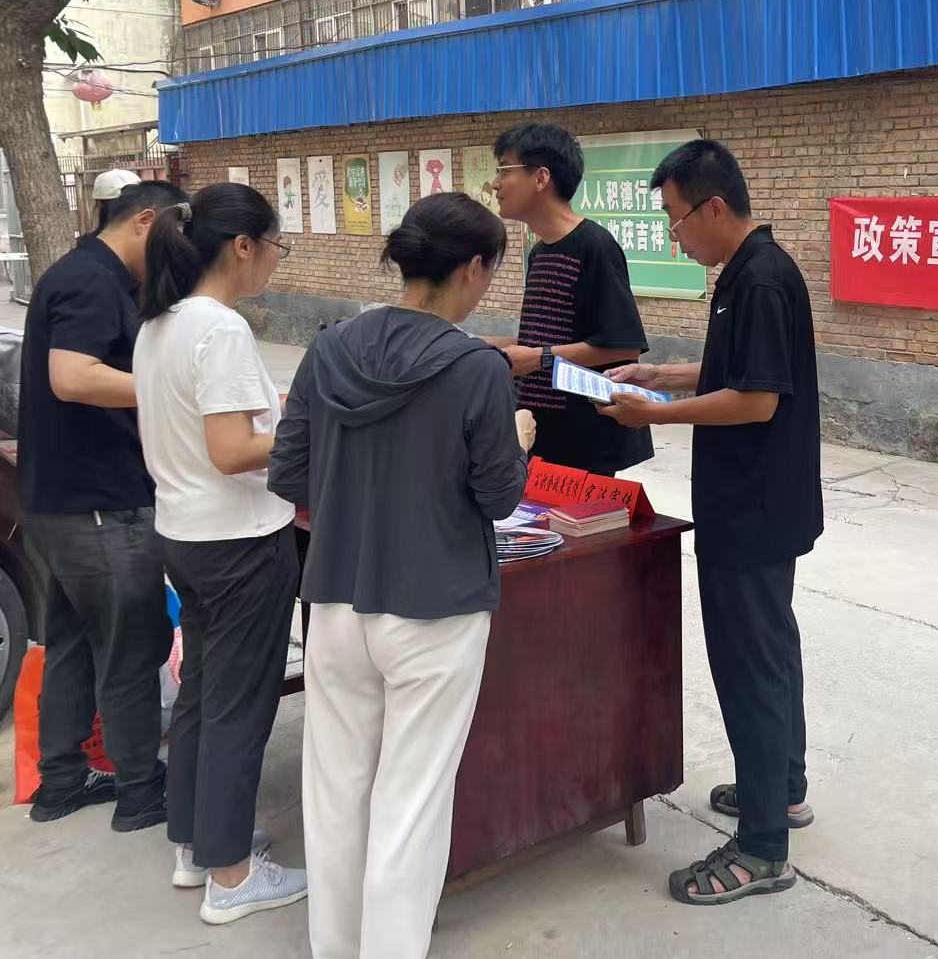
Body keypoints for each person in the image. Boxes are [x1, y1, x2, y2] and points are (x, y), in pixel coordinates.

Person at [269, 192, 530, 959]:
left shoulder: (330, 348)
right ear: (473, 268)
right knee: (411, 801)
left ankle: (336, 947)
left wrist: (358, 493)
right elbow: (499, 497)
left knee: (336, 788)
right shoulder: (477, 368)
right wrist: (518, 439)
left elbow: (289, 473)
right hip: (436, 608)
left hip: (336, 601)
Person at [599, 140, 823, 905]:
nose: (674, 235)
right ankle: (781, 790)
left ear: (714, 206)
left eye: (676, 217)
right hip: (763, 502)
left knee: (750, 666)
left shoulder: (758, 278)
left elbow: (755, 400)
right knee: (771, 652)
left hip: (752, 507)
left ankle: (762, 848)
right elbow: (744, 371)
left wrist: (653, 411)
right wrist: (661, 375)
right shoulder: (752, 271)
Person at [133, 183, 306, 925]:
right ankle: (233, 879)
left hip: (186, 534)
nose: (275, 260)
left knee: (204, 695)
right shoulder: (222, 329)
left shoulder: (160, 323)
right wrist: (307, 430)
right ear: (242, 246)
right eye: (275, 246)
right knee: (239, 706)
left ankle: (196, 843)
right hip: (239, 542)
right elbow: (233, 450)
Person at [19, 179, 186, 830]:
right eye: (172, 236)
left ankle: (60, 781)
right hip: (97, 505)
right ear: (145, 221)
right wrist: (171, 386)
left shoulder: (93, 275)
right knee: (131, 647)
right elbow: (72, 376)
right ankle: (141, 790)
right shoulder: (90, 280)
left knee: (74, 643)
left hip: (65, 501)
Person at [486, 122, 653, 475]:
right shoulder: (539, 251)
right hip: (540, 430)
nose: (495, 184)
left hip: (585, 440)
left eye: (504, 170)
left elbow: (622, 346)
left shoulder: (594, 246)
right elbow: (553, 335)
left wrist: (538, 358)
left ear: (540, 177)